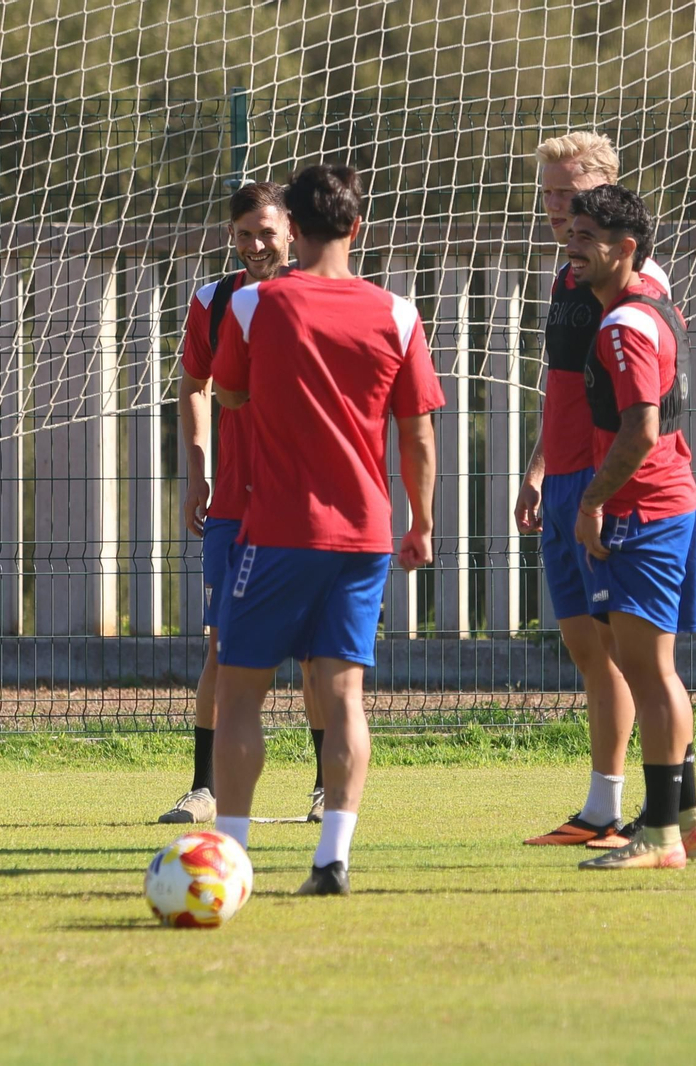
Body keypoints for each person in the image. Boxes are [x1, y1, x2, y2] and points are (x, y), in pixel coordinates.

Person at [210, 164, 443, 896]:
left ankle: (230, 857)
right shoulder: (399, 313)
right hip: (365, 533)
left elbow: (232, 392)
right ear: (356, 227)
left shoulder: (254, 306)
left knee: (242, 693)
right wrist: (422, 521)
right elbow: (420, 434)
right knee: (343, 695)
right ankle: (331, 859)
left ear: (295, 230)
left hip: (277, 529)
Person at [514, 132, 672, 849]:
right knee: (587, 649)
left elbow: (639, 406)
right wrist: (541, 466)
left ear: (607, 184)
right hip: (566, 479)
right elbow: (567, 390)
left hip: (607, 488)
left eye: (570, 193)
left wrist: (600, 491)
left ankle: (666, 807)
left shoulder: (640, 283)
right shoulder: (564, 274)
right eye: (547, 193)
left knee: (632, 653)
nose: (556, 207)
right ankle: (601, 808)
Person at [164, 180, 331, 826]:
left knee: (316, 652)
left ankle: (324, 787)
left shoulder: (323, 298)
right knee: (219, 645)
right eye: (244, 235)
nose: (257, 245)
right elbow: (195, 387)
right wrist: (198, 469)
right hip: (235, 502)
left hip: (305, 504)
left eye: (267, 231)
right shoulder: (212, 302)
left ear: (291, 229)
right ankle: (203, 787)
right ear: (231, 238)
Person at [562, 184, 696, 872]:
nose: (572, 244)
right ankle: (685, 817)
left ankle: (657, 836)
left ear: (626, 250)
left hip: (642, 512)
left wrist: (592, 500)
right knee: (655, 672)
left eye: (587, 235)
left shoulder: (623, 326)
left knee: (648, 675)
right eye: (571, 229)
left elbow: (641, 429)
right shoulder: (655, 308)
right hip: (670, 504)